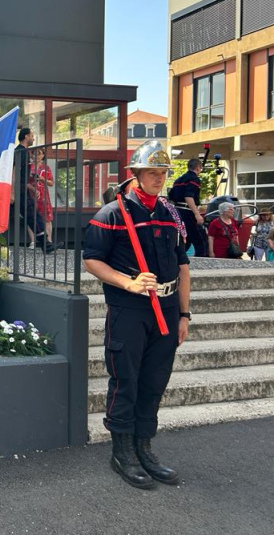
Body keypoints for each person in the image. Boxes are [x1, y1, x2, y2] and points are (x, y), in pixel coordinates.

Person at [82, 140, 190, 490]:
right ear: (137, 174)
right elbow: (92, 259)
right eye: (152, 173)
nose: (159, 179)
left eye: (163, 173)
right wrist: (128, 283)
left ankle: (144, 447)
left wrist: (185, 315)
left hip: (168, 308)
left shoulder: (171, 213)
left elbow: (184, 265)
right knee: (125, 380)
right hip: (130, 309)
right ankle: (122, 452)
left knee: (154, 381)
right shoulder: (112, 213)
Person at [14, 128, 57, 253]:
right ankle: (46, 244)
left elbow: (22, 176)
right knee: (33, 215)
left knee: (33, 216)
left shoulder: (24, 152)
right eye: (32, 136)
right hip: (19, 190)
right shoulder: (20, 152)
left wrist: (32, 188)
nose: (33, 138)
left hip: (22, 189)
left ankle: (46, 245)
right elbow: (14, 171)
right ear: (26, 136)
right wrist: (12, 192)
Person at [168, 158, 206, 257]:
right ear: (198, 168)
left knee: (185, 240)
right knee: (201, 241)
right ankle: (204, 265)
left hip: (178, 212)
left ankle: (178, 262)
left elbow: (171, 197)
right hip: (188, 212)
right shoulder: (194, 179)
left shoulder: (178, 180)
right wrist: (197, 214)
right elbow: (188, 196)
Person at [33, 147, 55, 246]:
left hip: (43, 195)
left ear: (43, 155)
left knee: (47, 218)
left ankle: (49, 241)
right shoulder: (29, 167)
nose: (37, 156)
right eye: (35, 153)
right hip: (31, 194)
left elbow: (51, 183)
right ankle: (33, 241)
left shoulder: (46, 168)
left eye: (39, 153)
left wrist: (42, 179)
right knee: (32, 216)